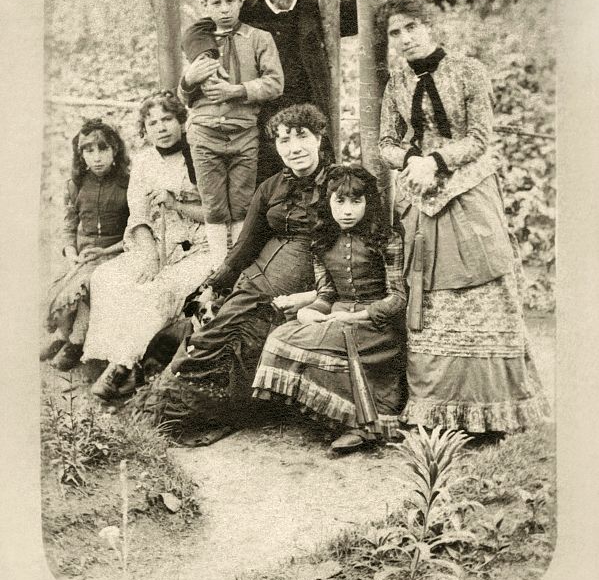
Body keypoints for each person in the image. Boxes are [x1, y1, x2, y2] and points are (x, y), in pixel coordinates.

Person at [378, 0, 548, 436]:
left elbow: (480, 138)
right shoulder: (395, 84)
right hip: (418, 196)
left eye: (412, 27)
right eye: (396, 33)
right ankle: (434, 410)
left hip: (469, 189)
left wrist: (435, 161)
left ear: (431, 26)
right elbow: (385, 144)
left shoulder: (470, 72)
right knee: (429, 299)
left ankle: (496, 411)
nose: (406, 38)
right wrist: (411, 158)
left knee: (486, 282)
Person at [130, 103, 330, 435]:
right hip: (255, 279)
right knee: (208, 328)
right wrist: (213, 282)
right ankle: (166, 406)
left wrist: (321, 295)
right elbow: (246, 245)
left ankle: (216, 410)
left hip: (302, 281)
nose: (294, 148)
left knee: (242, 337)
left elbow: (352, 248)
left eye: (302, 137)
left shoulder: (342, 184)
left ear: (320, 137)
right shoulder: (270, 188)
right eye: (283, 141)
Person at [252, 164, 407, 453]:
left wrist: (355, 315)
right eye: (340, 201)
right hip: (337, 318)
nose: (347, 210)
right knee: (280, 337)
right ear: (328, 202)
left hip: (376, 326)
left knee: (319, 341)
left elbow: (398, 298)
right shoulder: (322, 242)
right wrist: (311, 311)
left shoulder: (387, 239)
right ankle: (334, 416)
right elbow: (327, 293)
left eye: (356, 202)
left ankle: (362, 425)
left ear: (368, 203)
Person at [82, 91, 212, 400]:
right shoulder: (142, 163)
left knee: (159, 290)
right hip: (154, 244)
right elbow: (138, 216)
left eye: (167, 119)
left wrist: (177, 203)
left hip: (199, 247)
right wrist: (150, 256)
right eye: (152, 122)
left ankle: (123, 367)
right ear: (145, 129)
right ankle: (110, 357)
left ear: (182, 120)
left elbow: (218, 213)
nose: (161, 128)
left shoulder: (200, 157)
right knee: (109, 277)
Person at [238, 0, 400, 180]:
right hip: (262, 118)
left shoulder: (316, 11)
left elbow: (360, 12)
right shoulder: (246, 14)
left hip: (310, 113)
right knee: (267, 187)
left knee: (317, 183)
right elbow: (205, 28)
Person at [177, 0, 284, 269]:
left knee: (241, 203)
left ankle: (236, 268)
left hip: (243, 134)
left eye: (230, 1)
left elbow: (276, 83)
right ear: (205, 7)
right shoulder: (197, 41)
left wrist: (235, 91)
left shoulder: (258, 38)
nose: (224, 10)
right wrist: (187, 80)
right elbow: (184, 95)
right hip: (204, 133)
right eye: (216, 3)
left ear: (241, 1)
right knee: (212, 203)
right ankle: (216, 266)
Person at [40, 118, 130, 371]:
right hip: (85, 254)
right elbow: (69, 225)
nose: (97, 158)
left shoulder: (127, 184)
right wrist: (71, 253)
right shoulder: (76, 185)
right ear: (80, 155)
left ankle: (76, 342)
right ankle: (62, 336)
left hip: (116, 252)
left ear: (115, 151)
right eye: (89, 151)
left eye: (103, 149)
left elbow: (135, 231)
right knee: (62, 289)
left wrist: (107, 251)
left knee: (87, 286)